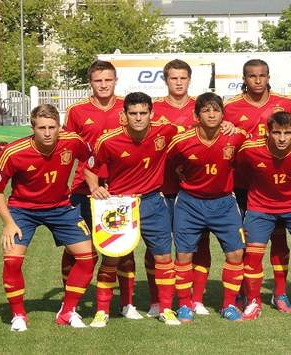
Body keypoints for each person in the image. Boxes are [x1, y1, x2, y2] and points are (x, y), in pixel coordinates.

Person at [0, 104, 96, 331]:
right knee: (12, 260)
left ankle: (68, 311)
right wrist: (8, 223)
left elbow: (91, 160)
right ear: (32, 127)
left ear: (59, 127)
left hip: (61, 208)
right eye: (42, 128)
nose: (47, 133)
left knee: (87, 258)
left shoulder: (73, 141)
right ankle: (18, 315)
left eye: (52, 127)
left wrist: (95, 185)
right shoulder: (13, 152)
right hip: (22, 210)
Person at [85, 92, 181, 326]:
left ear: (151, 114)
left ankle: (166, 309)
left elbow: (196, 128)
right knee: (112, 259)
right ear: (124, 115)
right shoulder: (108, 140)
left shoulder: (165, 132)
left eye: (143, 113)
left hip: (153, 203)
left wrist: (227, 123)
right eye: (133, 113)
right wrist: (95, 187)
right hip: (119, 205)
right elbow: (89, 168)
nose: (138, 118)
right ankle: (102, 311)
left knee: (164, 257)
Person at [62, 60, 141, 320]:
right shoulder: (76, 111)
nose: (103, 85)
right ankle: (71, 302)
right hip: (83, 190)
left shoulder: (127, 108)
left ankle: (127, 303)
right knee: (78, 248)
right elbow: (66, 148)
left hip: (120, 190)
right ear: (91, 83)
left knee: (124, 247)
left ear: (115, 80)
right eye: (98, 80)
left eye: (108, 80)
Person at [236, 112, 291, 320]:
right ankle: (253, 302)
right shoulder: (250, 150)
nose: (282, 138)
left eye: (287, 133)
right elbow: (237, 165)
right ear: (268, 132)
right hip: (260, 207)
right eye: (276, 133)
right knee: (252, 255)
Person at [224, 59, 291, 312]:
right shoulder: (230, 107)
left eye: (262, 75)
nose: (257, 80)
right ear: (244, 78)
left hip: (276, 185)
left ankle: (280, 293)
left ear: (268, 77)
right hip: (243, 184)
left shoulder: (286, 104)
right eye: (252, 76)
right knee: (247, 243)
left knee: (279, 239)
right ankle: (246, 292)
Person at [167, 92, 246, 322]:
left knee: (235, 253)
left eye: (216, 110)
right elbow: (167, 160)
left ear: (223, 113)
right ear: (196, 115)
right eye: (206, 110)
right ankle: (183, 305)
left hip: (224, 203)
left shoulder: (236, 137)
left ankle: (229, 305)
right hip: (190, 203)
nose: (212, 114)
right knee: (183, 255)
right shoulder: (182, 141)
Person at [148, 59, 211, 317]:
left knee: (199, 245)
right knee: (157, 247)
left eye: (183, 78)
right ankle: (155, 300)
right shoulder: (154, 108)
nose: (178, 82)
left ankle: (195, 299)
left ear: (189, 79)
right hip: (161, 188)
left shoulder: (201, 107)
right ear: (165, 80)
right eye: (173, 78)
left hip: (194, 190)